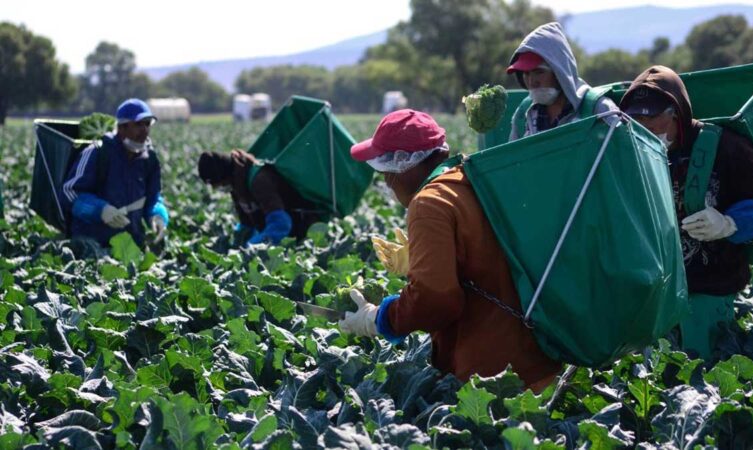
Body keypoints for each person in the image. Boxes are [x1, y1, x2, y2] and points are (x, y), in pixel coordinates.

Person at [340, 109, 562, 391]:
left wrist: (380, 318)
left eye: (386, 169)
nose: (385, 180)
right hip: (537, 356)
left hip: (492, 374)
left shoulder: (428, 204)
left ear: (404, 162)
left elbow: (436, 299)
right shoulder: (470, 179)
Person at [620, 65, 753, 359]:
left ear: (677, 114)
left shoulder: (726, 147)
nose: (646, 134)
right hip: (657, 297)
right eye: (637, 125)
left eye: (654, 125)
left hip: (713, 288)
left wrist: (729, 223)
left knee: (708, 381)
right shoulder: (630, 152)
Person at [61, 99, 169, 247]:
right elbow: (70, 193)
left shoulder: (149, 159)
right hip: (92, 244)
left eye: (147, 124)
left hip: (131, 245)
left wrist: (157, 215)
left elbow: (153, 198)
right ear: (122, 128)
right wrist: (101, 210)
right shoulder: (97, 152)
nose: (144, 130)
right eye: (138, 124)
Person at [507, 22, 617, 141]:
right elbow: (513, 159)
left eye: (539, 72)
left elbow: (623, 152)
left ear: (560, 72)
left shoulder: (599, 110)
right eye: (526, 73)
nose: (532, 81)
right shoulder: (523, 115)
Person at [197, 150, 321, 245]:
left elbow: (281, 224)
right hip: (285, 238)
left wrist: (252, 247)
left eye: (218, 184)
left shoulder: (259, 180)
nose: (220, 188)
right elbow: (247, 225)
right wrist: (235, 244)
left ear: (224, 176)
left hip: (303, 233)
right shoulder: (236, 186)